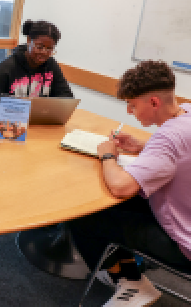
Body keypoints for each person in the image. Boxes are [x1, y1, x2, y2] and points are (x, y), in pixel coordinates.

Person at [67, 60, 191, 307]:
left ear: (154, 102)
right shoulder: (187, 114)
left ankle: (131, 284)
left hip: (183, 244)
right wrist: (143, 147)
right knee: (115, 207)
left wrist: (107, 154)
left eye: (132, 105)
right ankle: (127, 269)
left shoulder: (167, 138)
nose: (128, 112)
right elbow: (180, 155)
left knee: (82, 215)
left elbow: (121, 185)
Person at [0, 19, 73, 111]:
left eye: (49, 49)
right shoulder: (8, 66)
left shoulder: (51, 65)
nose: (44, 52)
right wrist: (20, 104)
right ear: (29, 40)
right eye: (39, 47)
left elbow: (67, 98)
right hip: (12, 122)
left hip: (38, 123)